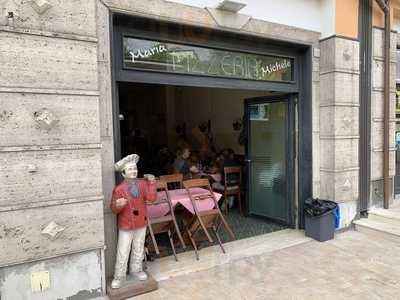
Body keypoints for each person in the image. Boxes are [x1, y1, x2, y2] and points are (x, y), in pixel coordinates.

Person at [110, 154, 157, 289]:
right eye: (130, 169)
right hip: (126, 224)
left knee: (139, 247)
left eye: (135, 169)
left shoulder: (142, 184)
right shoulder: (119, 189)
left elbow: (151, 198)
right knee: (123, 250)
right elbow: (113, 209)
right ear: (123, 174)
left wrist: (152, 182)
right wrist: (118, 204)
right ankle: (119, 276)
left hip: (140, 222)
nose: (133, 171)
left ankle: (136, 270)